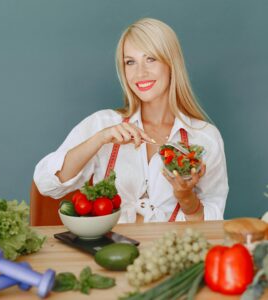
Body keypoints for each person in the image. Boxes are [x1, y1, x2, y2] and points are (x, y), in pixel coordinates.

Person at [34, 18, 228, 223]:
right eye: (130, 62)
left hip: (171, 252)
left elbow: (213, 222)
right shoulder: (103, 123)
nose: (140, 72)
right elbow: (47, 185)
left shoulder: (205, 138)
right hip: (107, 251)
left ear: (171, 64)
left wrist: (187, 199)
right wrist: (99, 139)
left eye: (151, 59)